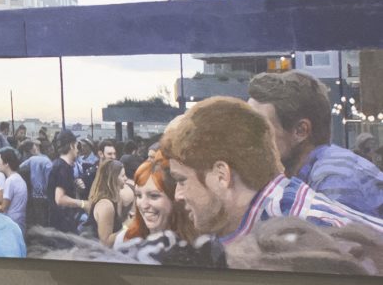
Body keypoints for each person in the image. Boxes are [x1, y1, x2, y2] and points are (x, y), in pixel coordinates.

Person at [161, 96, 383, 247]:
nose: (178, 195)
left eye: (182, 181)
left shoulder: (304, 239)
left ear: (222, 175)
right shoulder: (275, 215)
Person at [248, 70, 383, 217]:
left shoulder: (336, 180)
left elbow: (328, 238)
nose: (247, 138)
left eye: (259, 128)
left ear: (301, 131)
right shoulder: (310, 175)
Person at [122, 153, 196, 244]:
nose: (143, 205)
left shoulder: (198, 245)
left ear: (173, 197)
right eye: (139, 195)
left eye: (153, 196)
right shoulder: (126, 240)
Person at [87, 160, 131, 246]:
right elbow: (105, 242)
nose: (126, 178)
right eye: (123, 176)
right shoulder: (106, 205)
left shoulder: (116, 199)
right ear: (113, 178)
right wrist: (127, 227)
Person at [47, 130, 83, 233]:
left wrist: (74, 186)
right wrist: (83, 204)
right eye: (76, 145)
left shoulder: (60, 165)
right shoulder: (62, 168)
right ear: (71, 146)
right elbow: (60, 199)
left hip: (60, 223)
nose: (78, 149)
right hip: (62, 225)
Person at [19, 140, 52, 227]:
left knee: (37, 220)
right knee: (45, 220)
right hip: (45, 195)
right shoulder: (47, 160)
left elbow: (19, 168)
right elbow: (49, 179)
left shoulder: (31, 159)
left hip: (34, 194)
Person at [0, 147, 28, 233]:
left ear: (6, 163)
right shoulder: (19, 178)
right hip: (20, 220)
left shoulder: (10, 181)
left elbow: (3, 207)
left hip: (12, 221)